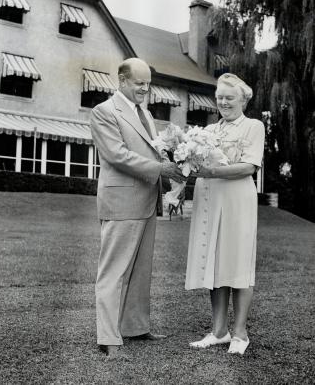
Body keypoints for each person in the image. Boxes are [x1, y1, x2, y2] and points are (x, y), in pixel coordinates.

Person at [90, 58, 184, 359]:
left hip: (146, 199)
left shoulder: (145, 111)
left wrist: (179, 154)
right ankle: (108, 338)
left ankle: (134, 327)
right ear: (121, 80)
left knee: (141, 270)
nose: (145, 88)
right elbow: (118, 156)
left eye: (148, 83)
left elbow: (149, 149)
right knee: (114, 271)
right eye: (139, 83)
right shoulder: (103, 112)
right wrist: (162, 168)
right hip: (121, 202)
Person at [185, 73, 265, 355]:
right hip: (211, 200)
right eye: (219, 97)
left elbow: (249, 167)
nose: (223, 102)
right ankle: (219, 331)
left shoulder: (253, 127)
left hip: (237, 201)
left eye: (229, 97)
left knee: (239, 263)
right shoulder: (209, 130)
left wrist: (211, 171)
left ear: (242, 99)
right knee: (215, 264)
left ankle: (240, 333)